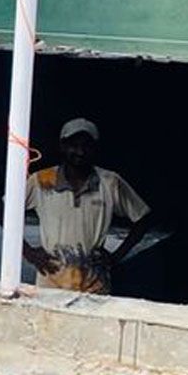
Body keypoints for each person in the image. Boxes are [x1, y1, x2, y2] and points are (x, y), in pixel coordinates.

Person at [12, 118, 155, 295]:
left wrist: (116, 257)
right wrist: (29, 253)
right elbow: (3, 209)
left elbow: (144, 218)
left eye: (87, 145)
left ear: (95, 149)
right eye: (73, 145)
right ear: (62, 146)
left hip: (94, 283)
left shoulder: (109, 182)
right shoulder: (43, 179)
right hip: (50, 282)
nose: (80, 151)